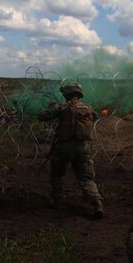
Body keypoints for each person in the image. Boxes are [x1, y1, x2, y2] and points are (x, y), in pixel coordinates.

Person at [37, 82, 104, 219]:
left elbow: (42, 116)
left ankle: (58, 201)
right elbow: (95, 117)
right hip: (82, 147)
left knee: (57, 174)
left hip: (64, 147)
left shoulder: (63, 108)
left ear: (66, 94)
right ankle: (98, 205)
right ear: (79, 94)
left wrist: (53, 107)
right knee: (86, 178)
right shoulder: (89, 108)